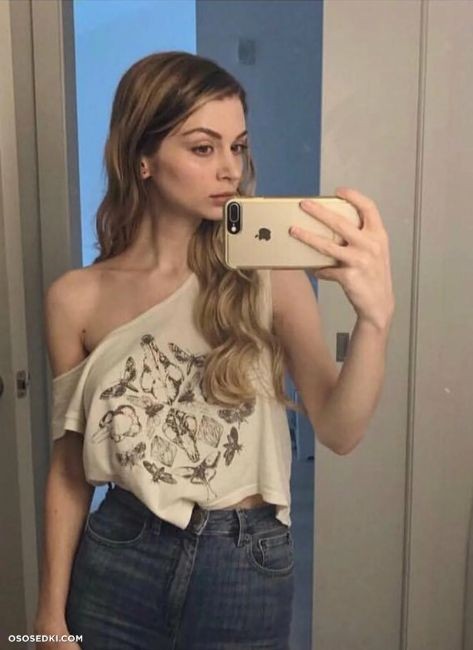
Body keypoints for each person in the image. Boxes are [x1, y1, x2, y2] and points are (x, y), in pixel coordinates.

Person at [34, 51, 395, 650]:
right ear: (142, 158)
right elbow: (70, 470)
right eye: (203, 148)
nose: (230, 168)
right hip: (119, 556)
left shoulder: (267, 276)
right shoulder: (74, 300)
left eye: (238, 147)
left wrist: (374, 320)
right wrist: (47, 619)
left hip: (243, 564)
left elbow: (340, 428)